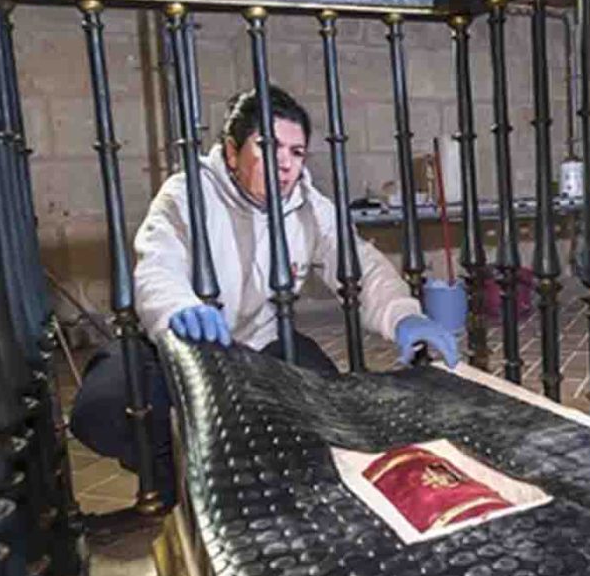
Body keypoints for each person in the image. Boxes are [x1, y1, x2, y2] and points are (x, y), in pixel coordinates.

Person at [69, 83, 458, 502]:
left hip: (265, 342)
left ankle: (280, 492)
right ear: (232, 152)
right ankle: (182, 487)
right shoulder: (188, 194)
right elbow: (157, 265)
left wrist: (402, 314)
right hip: (179, 344)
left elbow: (357, 263)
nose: (285, 165)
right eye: (270, 147)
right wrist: (178, 308)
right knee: (101, 409)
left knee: (329, 412)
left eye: (296, 152)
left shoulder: (308, 205)